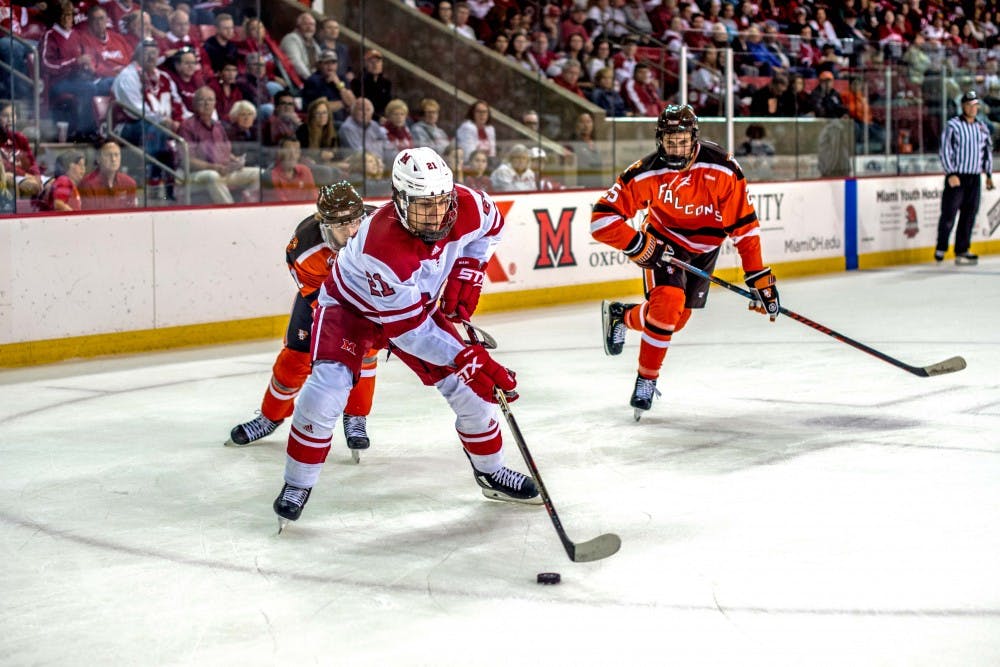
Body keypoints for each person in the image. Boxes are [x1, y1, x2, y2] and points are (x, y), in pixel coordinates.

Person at [270, 146, 540, 529]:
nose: (436, 215)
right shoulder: (379, 245)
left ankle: (491, 473)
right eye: (422, 206)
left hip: (416, 307)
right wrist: (466, 356)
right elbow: (410, 333)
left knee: (474, 395)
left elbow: (492, 226)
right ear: (398, 200)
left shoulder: (467, 204)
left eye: (441, 202)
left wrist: (469, 268)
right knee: (324, 392)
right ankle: (297, 483)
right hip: (351, 310)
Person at [593, 105, 779, 417]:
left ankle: (622, 316)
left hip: (705, 250)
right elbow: (601, 220)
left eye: (682, 141)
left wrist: (759, 277)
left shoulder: (723, 169)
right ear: (659, 140)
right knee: (667, 307)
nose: (676, 148)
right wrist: (638, 244)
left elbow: (744, 229)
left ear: (694, 139)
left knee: (675, 321)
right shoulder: (646, 172)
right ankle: (646, 381)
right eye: (670, 141)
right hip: (664, 245)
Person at [228, 183, 376, 453]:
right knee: (294, 360)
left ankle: (356, 415)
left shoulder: (379, 228)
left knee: (364, 354)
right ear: (325, 222)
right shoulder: (304, 247)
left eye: (355, 220)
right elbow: (321, 301)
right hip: (325, 302)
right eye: (342, 225)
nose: (352, 231)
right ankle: (269, 417)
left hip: (370, 302)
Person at [936, 91, 994, 266]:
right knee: (949, 212)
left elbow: (987, 152)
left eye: (975, 105)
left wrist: (989, 174)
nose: (973, 108)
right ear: (963, 106)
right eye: (969, 105)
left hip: (974, 177)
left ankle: (962, 249)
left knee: (969, 214)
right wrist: (950, 173)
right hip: (957, 176)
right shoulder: (953, 126)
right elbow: (945, 150)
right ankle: (941, 247)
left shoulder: (982, 128)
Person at [179, 86, 260, 204]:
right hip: (195, 176)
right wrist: (214, 168)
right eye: (202, 100)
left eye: (210, 100)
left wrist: (236, 160)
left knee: (259, 173)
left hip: (223, 171)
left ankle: (246, 205)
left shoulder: (218, 126)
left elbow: (226, 152)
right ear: (194, 103)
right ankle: (230, 212)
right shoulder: (187, 126)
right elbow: (187, 160)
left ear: (215, 104)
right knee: (212, 176)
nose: (207, 104)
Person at [78, 139, 138, 210]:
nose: (113, 159)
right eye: (108, 155)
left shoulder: (129, 183)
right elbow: (90, 218)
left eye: (116, 155)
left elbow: (132, 216)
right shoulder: (87, 185)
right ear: (98, 159)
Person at [349, 49, 393, 120]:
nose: (375, 65)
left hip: (385, 118)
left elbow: (389, 104)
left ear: (382, 64)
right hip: (366, 119)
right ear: (365, 64)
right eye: (371, 62)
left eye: (378, 62)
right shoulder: (357, 83)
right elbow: (359, 108)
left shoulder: (386, 83)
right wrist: (378, 118)